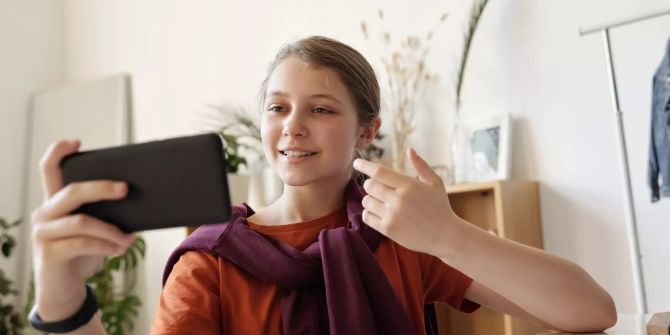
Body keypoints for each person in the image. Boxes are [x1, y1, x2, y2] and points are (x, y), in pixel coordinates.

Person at [29, 36, 616, 335]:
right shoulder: (211, 262)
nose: (292, 127)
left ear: (368, 131)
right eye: (278, 107)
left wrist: (450, 234)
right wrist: (60, 297)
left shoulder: (406, 236)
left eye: (322, 110)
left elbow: (592, 311)